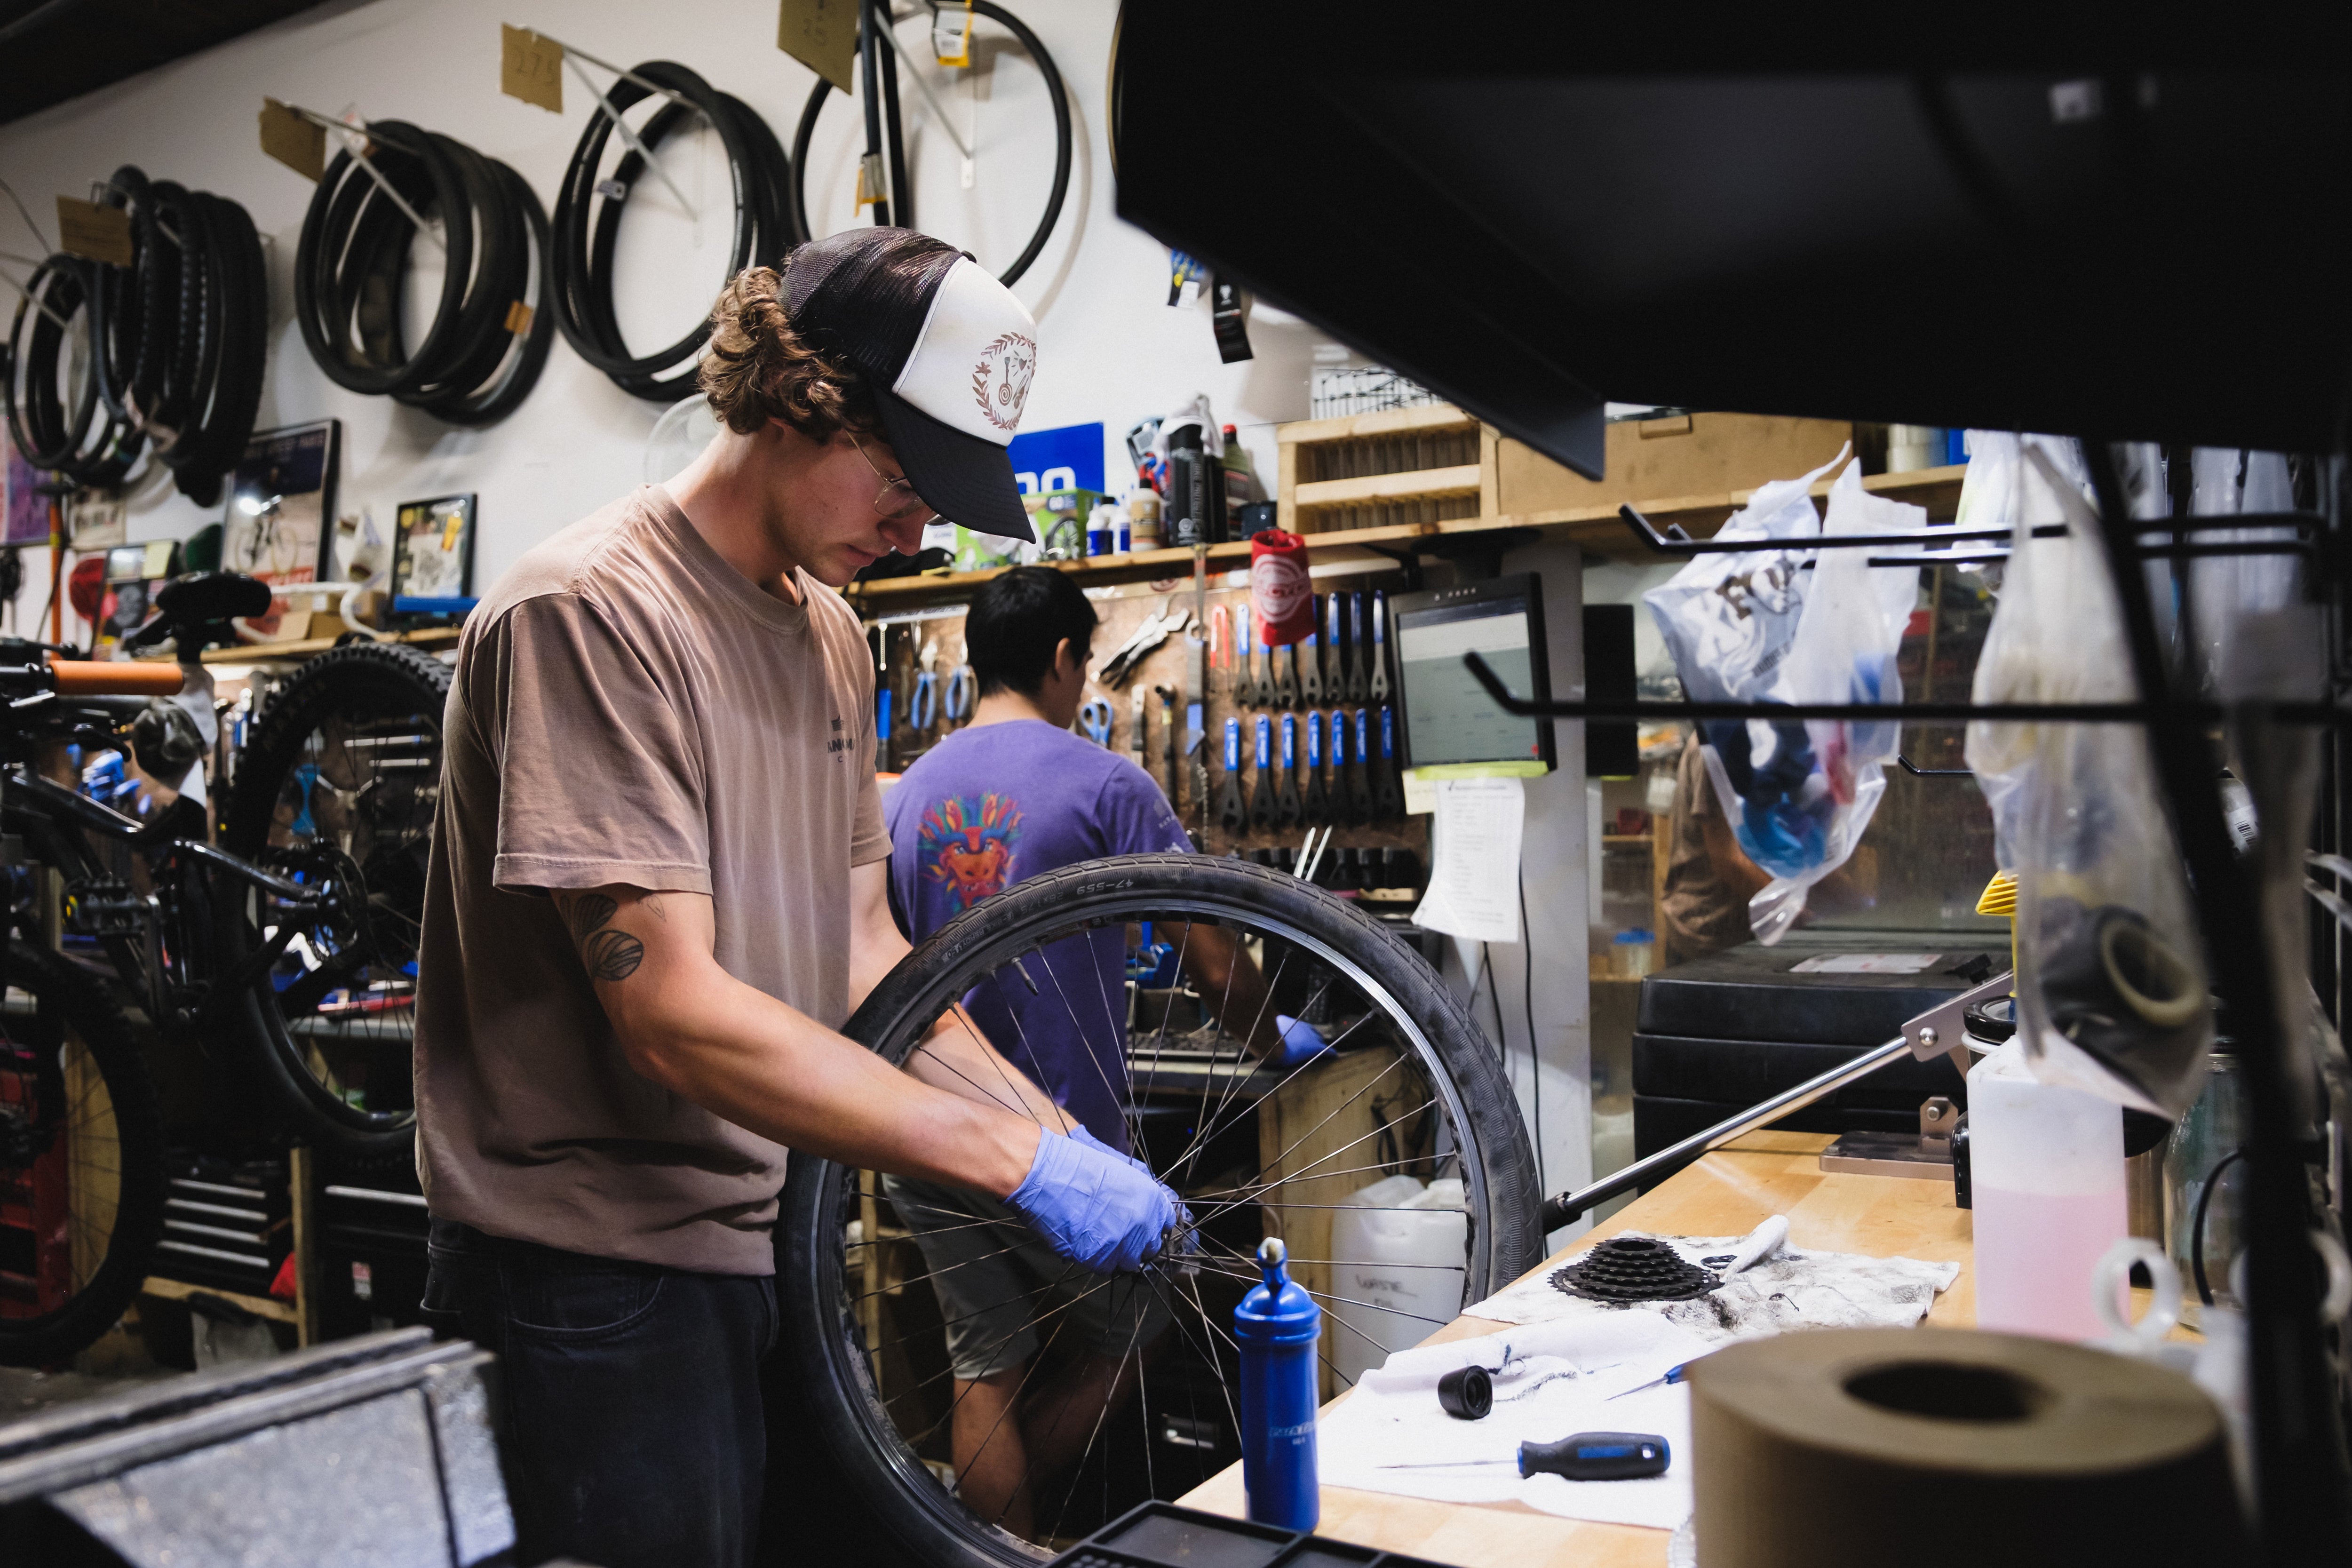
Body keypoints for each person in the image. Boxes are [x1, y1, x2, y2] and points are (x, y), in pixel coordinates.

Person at [411, 229, 1183, 1568]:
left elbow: (866, 953)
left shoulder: (828, 627)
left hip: (762, 1239)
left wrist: (1058, 1131)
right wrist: (1012, 1161)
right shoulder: (590, 613)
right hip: (585, 1275)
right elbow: (674, 1014)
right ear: (789, 400)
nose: (917, 526)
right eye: (900, 475)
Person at [881, 566, 1324, 1534]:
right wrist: (1270, 1037)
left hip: (923, 1126)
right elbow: (1210, 952)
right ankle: (1009, 1519)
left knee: (983, 1357)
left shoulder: (910, 790)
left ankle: (979, 1538)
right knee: (1145, 1318)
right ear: (1061, 657)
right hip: (1055, 1133)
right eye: (1082, 663)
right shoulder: (1106, 781)